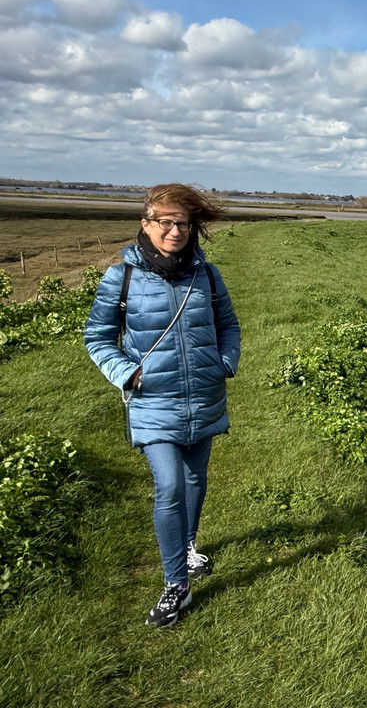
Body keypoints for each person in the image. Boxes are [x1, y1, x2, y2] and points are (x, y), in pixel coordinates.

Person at [84, 183, 241, 628]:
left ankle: (187, 548)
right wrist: (128, 374)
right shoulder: (122, 277)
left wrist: (224, 363)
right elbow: (97, 338)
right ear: (146, 224)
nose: (175, 231)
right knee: (170, 486)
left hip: (204, 395)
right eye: (166, 222)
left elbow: (228, 324)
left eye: (183, 223)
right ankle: (177, 585)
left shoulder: (206, 275)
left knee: (195, 480)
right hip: (153, 399)